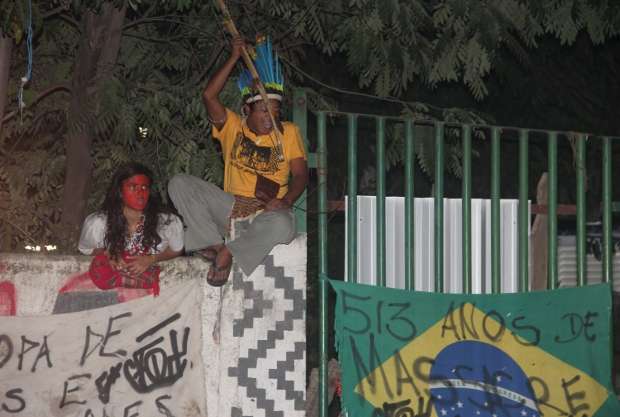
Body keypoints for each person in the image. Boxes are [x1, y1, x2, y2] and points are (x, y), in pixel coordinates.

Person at [168, 36, 308, 286]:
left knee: (284, 226)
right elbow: (209, 96)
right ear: (247, 110)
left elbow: (300, 174)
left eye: (276, 110)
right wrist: (233, 56)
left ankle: (228, 251)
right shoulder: (232, 126)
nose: (271, 116)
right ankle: (211, 243)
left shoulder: (289, 132)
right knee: (179, 183)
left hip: (266, 212)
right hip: (231, 207)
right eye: (264, 110)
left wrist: (285, 201)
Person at [78, 162, 184, 295]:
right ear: (120, 191)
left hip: (156, 299)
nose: (140, 193)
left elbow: (176, 250)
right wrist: (108, 252)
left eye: (144, 187)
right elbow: (86, 249)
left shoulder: (168, 222)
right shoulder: (98, 223)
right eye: (133, 187)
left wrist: (151, 259)